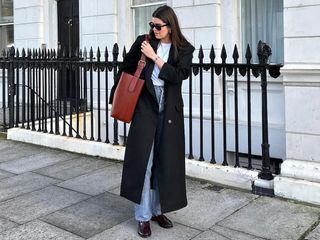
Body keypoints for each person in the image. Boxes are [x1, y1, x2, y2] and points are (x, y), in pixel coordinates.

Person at [110, 5, 194, 238]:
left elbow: (177, 77)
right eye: (152, 25)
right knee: (144, 162)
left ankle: (158, 210)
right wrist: (117, 94)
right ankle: (143, 216)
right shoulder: (143, 41)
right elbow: (125, 67)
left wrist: (155, 58)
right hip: (146, 105)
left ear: (170, 26)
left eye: (159, 26)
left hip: (169, 110)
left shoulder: (184, 49)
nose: (154, 29)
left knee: (163, 161)